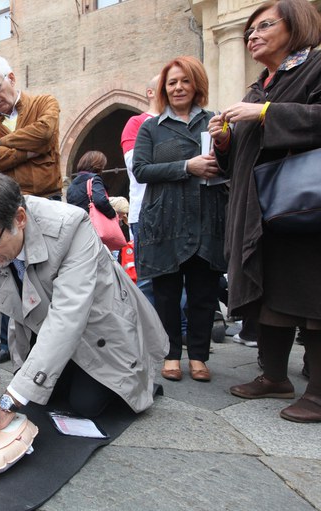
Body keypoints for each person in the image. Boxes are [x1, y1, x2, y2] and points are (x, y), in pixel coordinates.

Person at [0, 171, 167, 459]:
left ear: (20, 219)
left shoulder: (71, 225)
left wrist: (6, 404)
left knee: (84, 403)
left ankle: (140, 371)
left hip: (100, 327)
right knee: (43, 395)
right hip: (41, 326)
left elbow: (67, 317)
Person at [208, 0, 321, 422]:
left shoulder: (314, 67)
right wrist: (223, 142)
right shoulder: (260, 85)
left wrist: (268, 113)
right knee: (268, 288)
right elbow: (239, 156)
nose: (252, 35)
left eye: (263, 26)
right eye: (249, 30)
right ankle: (274, 375)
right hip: (260, 207)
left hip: (305, 205)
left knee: (310, 291)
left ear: (297, 26)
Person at [133, 56, 227, 383]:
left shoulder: (214, 121)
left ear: (196, 84)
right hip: (165, 221)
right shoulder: (151, 128)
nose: (178, 88)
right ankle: (171, 353)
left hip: (206, 216)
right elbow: (141, 170)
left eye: (184, 81)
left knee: (203, 291)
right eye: (172, 82)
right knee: (167, 293)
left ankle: (199, 355)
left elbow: (230, 164)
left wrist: (225, 145)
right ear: (163, 89)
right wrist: (188, 167)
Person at [0, 56, 62, 199]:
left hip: (48, 198)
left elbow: (44, 133)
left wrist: (2, 143)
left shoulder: (44, 103)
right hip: (9, 203)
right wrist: (25, 154)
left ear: (11, 79)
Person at [121, 75, 160, 303]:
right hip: (145, 210)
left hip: (180, 209)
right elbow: (137, 167)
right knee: (147, 277)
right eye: (168, 84)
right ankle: (149, 332)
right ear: (151, 92)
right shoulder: (137, 123)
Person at [65, 150, 117, 218]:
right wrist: (113, 214)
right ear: (98, 166)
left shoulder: (72, 184)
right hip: (91, 223)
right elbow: (100, 201)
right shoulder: (94, 179)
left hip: (77, 222)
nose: (103, 168)